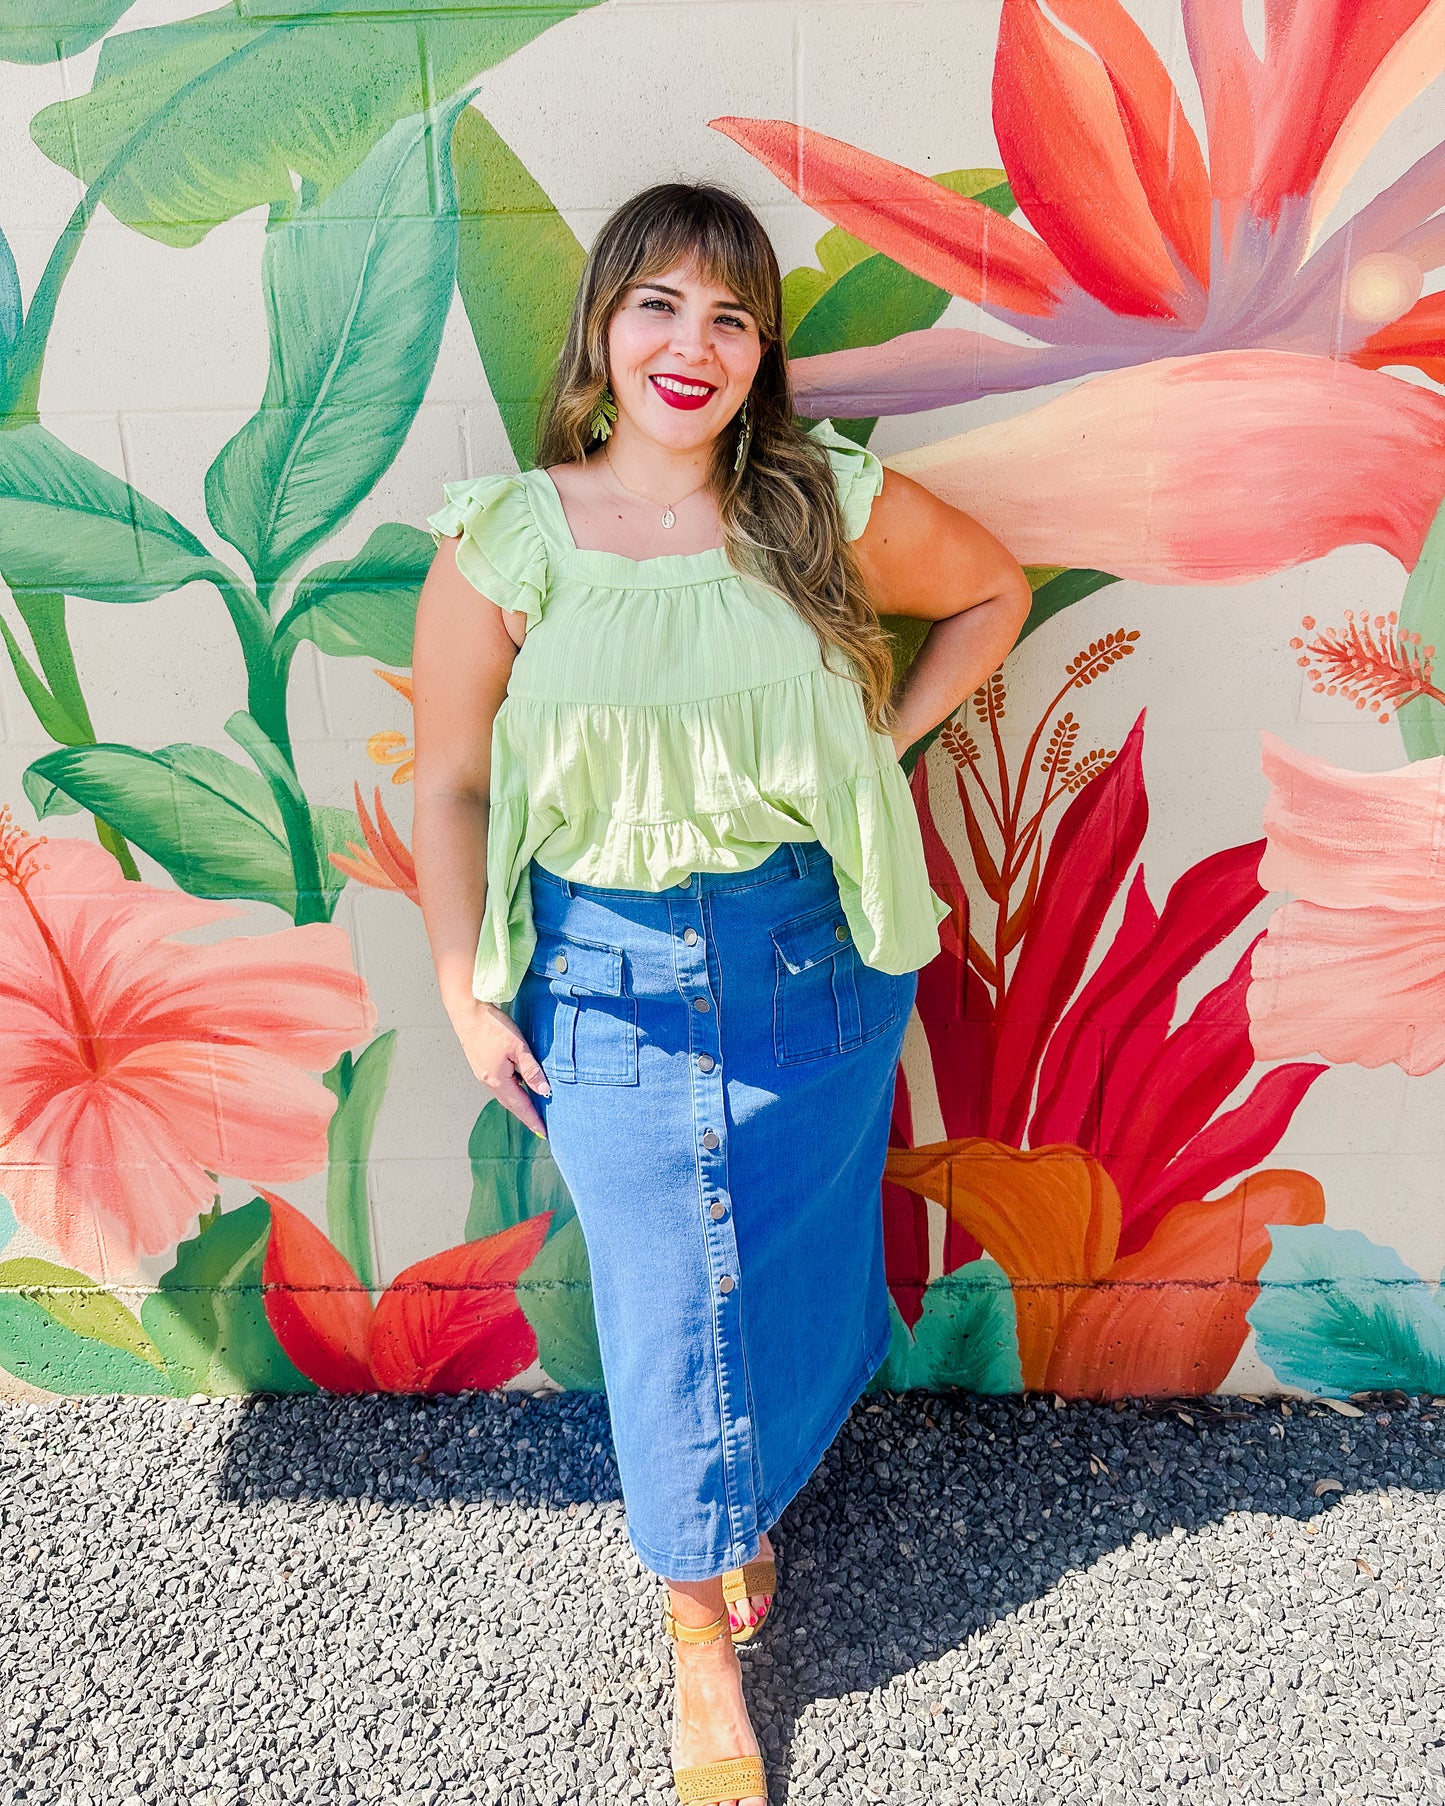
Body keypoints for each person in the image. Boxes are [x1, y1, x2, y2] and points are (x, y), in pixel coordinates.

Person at [412, 182, 1030, 1806]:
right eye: (659, 307)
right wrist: (467, 987)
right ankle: (699, 1632)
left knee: (796, 1253)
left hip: (808, 957)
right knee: (665, 1292)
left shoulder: (815, 503)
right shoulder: (510, 539)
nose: (694, 346)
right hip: (602, 973)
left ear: (761, 355)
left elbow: (992, 594)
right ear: (602, 334)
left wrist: (866, 753)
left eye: (733, 317)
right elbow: (453, 784)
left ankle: (734, 1491)